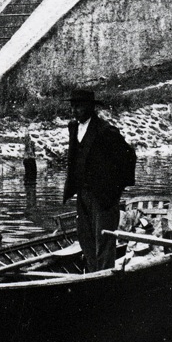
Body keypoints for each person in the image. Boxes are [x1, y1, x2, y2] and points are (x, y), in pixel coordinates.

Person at [63, 88, 136, 271]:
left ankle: (104, 277)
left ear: (90, 107)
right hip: (82, 193)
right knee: (85, 236)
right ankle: (93, 274)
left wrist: (115, 190)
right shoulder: (73, 127)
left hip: (103, 196)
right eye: (72, 106)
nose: (74, 111)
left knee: (103, 238)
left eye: (78, 107)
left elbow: (128, 157)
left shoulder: (105, 131)